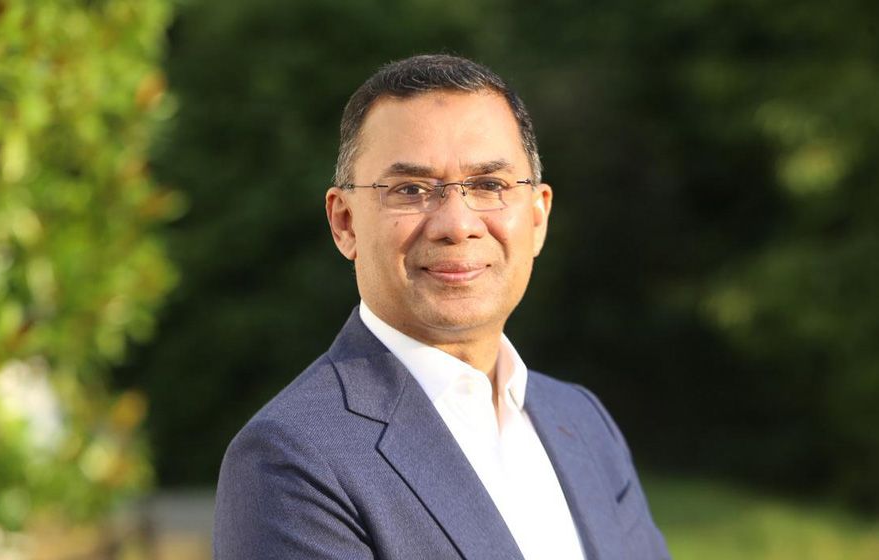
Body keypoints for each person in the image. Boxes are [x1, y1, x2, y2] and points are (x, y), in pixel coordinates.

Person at [213, 54, 669, 560]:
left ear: (538, 218)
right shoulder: (293, 460)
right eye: (410, 190)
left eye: (489, 185)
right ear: (345, 223)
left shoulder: (582, 422)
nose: (457, 224)